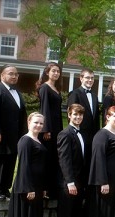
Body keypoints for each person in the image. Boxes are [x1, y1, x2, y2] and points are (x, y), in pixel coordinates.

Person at [4, 112, 47, 217]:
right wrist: (28, 188)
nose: (39, 125)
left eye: (41, 123)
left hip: (37, 186)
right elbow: (24, 166)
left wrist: (43, 188)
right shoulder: (25, 141)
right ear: (29, 123)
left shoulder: (38, 141)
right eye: (36, 122)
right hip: (27, 187)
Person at [0, 64, 27, 202]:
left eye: (16, 74)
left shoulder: (18, 93)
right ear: (2, 75)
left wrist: (25, 135)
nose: (14, 76)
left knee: (9, 163)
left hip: (14, 137)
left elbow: (21, 116)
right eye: (10, 73)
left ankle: (4, 188)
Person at [56, 104, 88, 217]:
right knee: (66, 215)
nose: (78, 117)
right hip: (69, 183)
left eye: (80, 115)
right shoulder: (65, 134)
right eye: (75, 114)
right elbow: (64, 160)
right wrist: (70, 182)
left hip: (80, 182)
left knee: (74, 214)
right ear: (69, 115)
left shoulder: (81, 134)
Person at [36, 62, 63, 200]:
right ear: (47, 72)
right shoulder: (45, 88)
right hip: (48, 130)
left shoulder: (56, 88)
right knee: (47, 159)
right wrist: (46, 130)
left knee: (55, 159)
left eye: (58, 71)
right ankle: (44, 189)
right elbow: (44, 109)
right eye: (53, 71)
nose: (56, 73)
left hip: (57, 128)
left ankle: (53, 189)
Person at [67, 68, 100, 162]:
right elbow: (71, 116)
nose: (90, 80)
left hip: (93, 135)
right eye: (87, 78)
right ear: (81, 78)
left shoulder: (94, 96)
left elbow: (96, 116)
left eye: (92, 78)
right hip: (79, 133)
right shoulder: (74, 94)